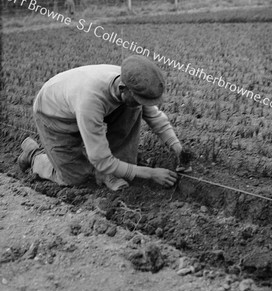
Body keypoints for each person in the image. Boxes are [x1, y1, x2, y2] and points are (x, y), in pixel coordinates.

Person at [18, 55, 188, 191]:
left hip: (79, 107)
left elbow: (155, 117)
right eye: (139, 99)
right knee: (75, 178)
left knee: (134, 109)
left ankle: (110, 174)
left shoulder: (129, 82)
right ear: (123, 89)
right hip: (54, 116)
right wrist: (151, 174)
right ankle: (34, 155)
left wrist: (179, 149)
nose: (142, 102)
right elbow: (101, 160)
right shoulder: (90, 102)